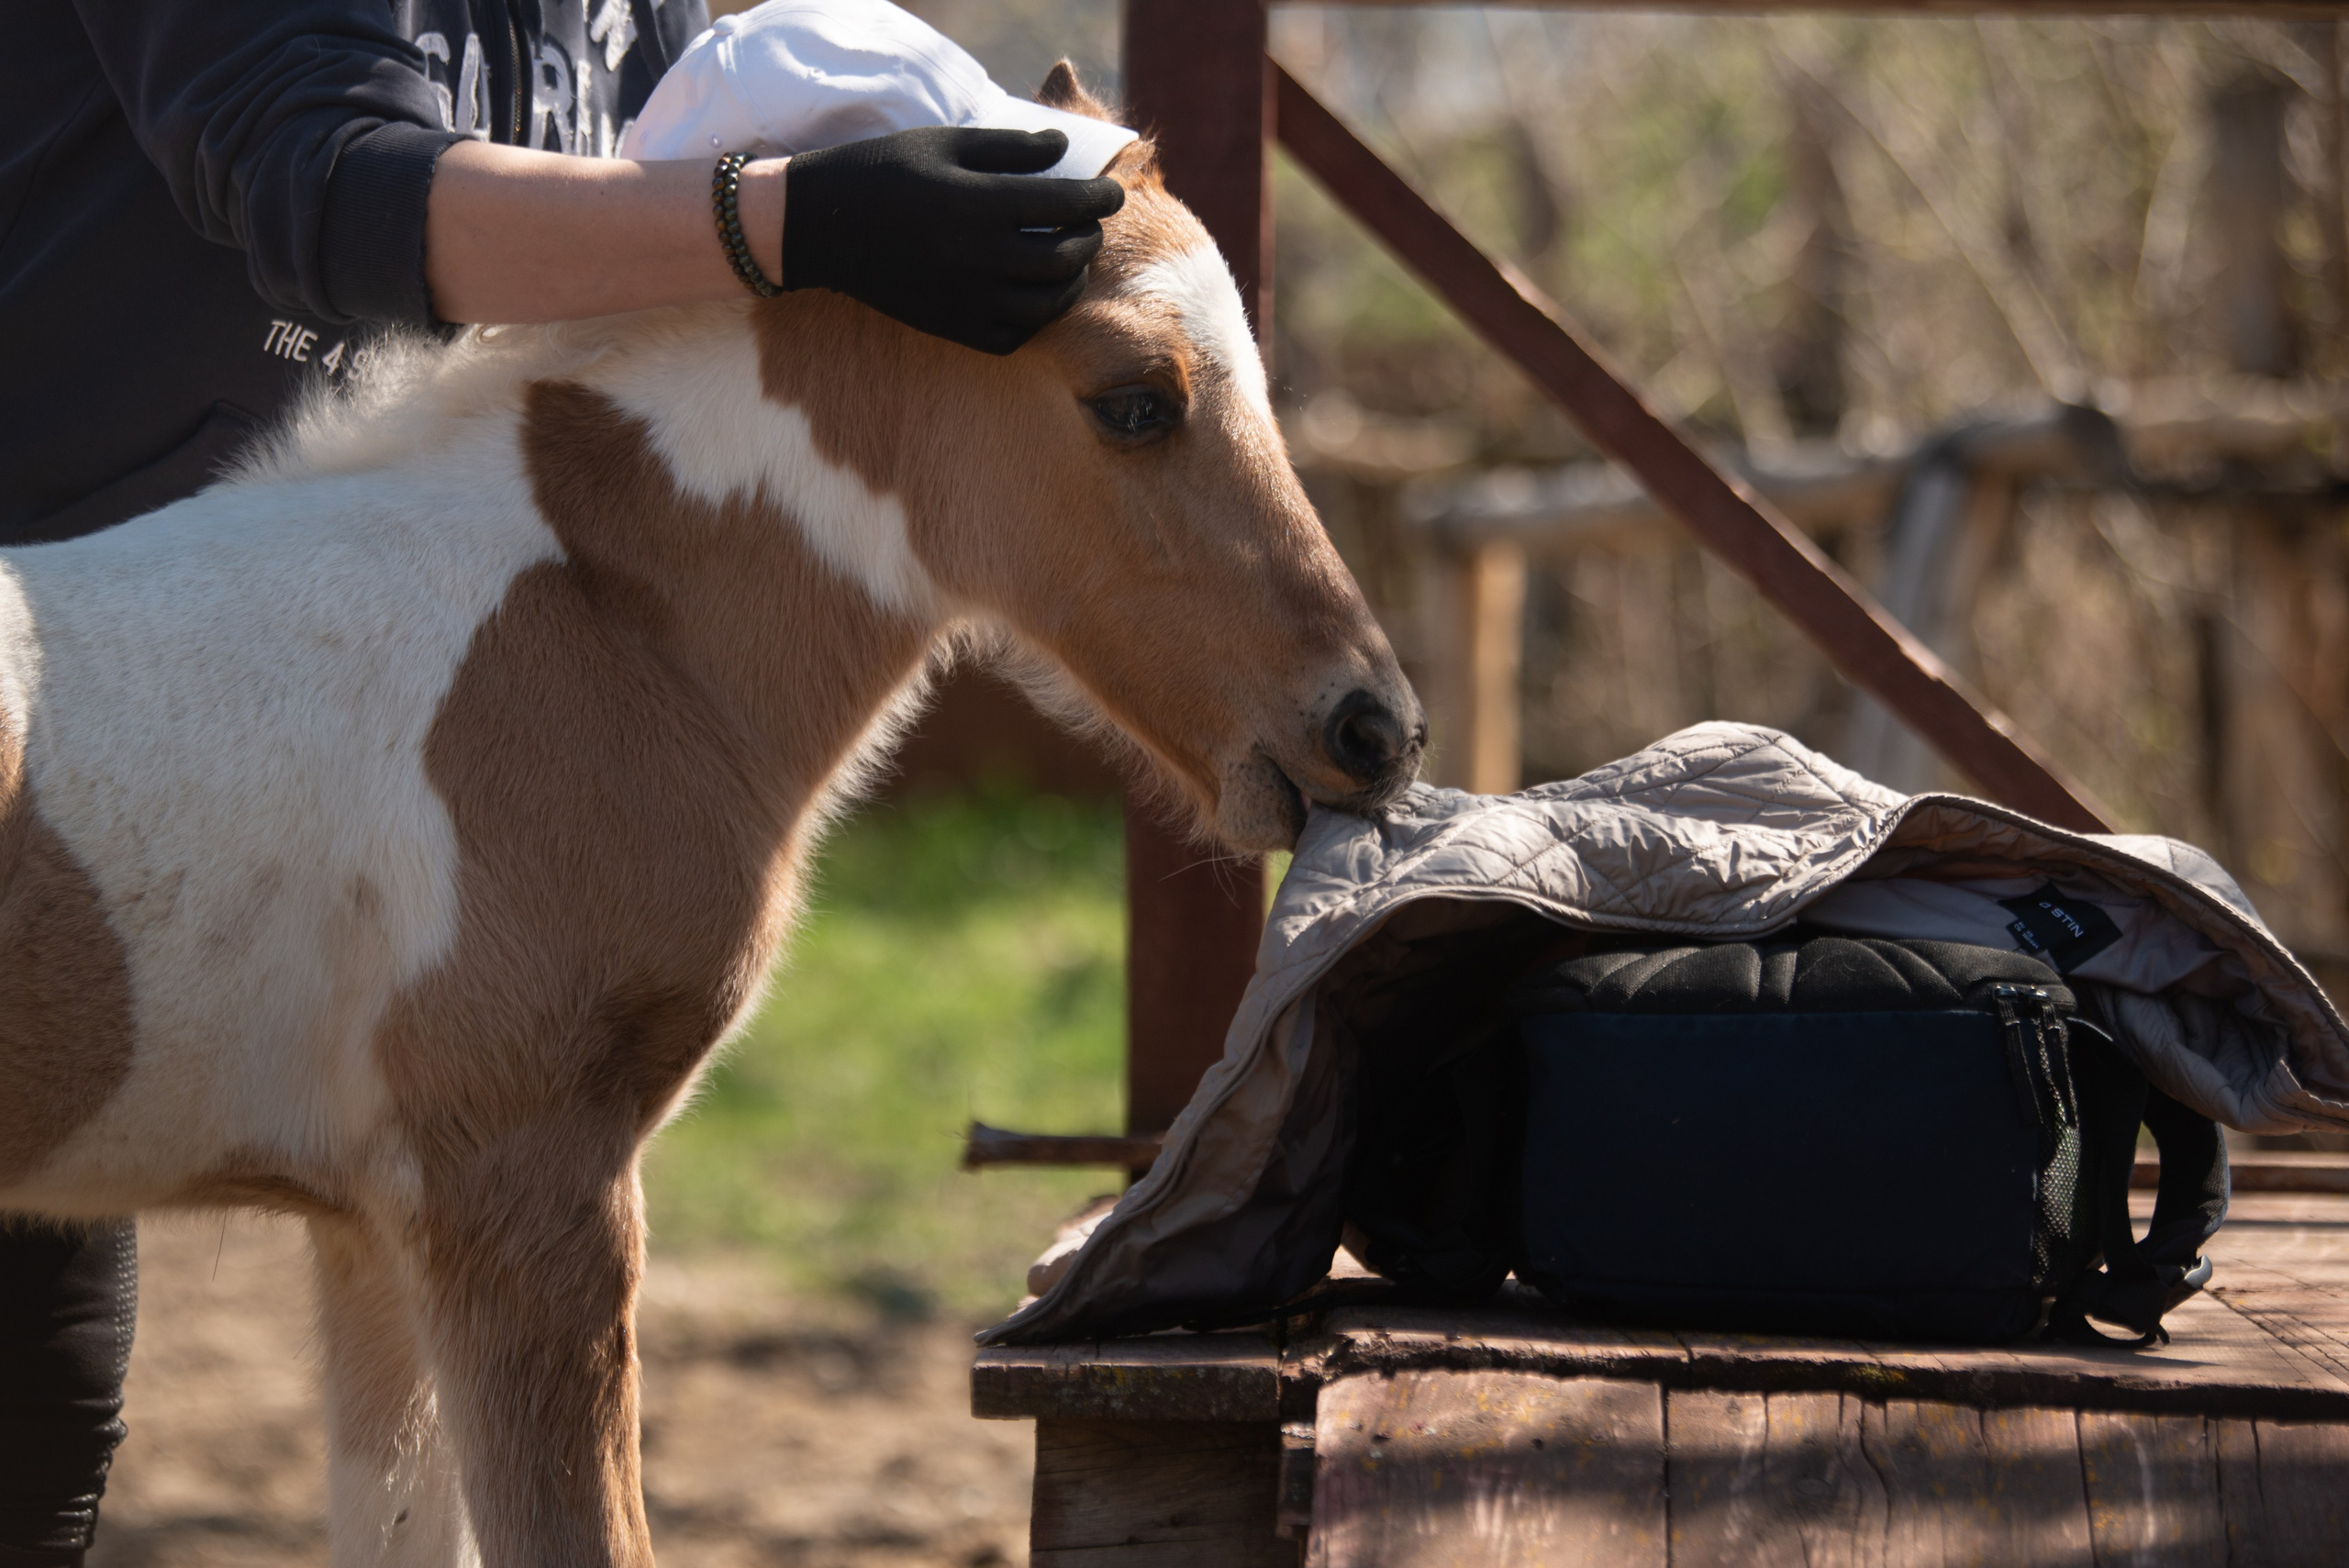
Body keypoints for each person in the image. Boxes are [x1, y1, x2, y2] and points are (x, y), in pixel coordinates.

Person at [0, 3, 1124, 1560]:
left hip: (203, 744)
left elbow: (656, 227)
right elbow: (332, 185)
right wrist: (802, 223)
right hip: (60, 642)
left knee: (39, 1411)